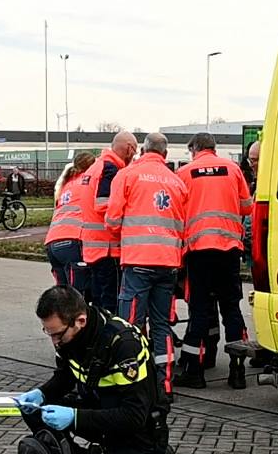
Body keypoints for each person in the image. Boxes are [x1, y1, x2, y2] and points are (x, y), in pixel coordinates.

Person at [17, 286, 172, 454]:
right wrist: (41, 393)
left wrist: (75, 417)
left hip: (135, 429)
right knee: (37, 411)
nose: (54, 341)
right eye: (48, 332)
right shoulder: (69, 338)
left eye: (58, 334)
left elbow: (134, 416)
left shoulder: (122, 344)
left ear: (80, 321)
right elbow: (65, 376)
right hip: (100, 412)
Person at [106, 131, 187, 395]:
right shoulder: (177, 182)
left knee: (130, 324)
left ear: (143, 150)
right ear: (164, 154)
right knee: (162, 325)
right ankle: (164, 385)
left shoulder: (127, 175)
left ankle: (133, 385)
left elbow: (112, 221)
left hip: (138, 261)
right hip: (168, 263)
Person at [174, 133, 254, 389]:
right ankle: (237, 371)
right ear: (214, 148)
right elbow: (246, 207)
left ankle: (193, 372)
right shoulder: (232, 169)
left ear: (194, 149)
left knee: (199, 310)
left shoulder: (185, 173)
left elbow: (176, 212)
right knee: (231, 309)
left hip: (198, 251)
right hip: (229, 249)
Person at [74, 131, 136, 317]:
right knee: (112, 303)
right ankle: (111, 342)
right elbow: (103, 204)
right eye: (135, 150)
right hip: (108, 247)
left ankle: (99, 339)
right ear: (129, 149)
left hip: (93, 247)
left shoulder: (95, 167)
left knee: (99, 301)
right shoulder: (111, 169)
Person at [44, 150, 96, 290]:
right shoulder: (88, 182)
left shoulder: (67, 183)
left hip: (52, 242)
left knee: (63, 293)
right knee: (77, 294)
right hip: (72, 239)